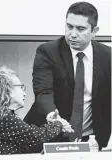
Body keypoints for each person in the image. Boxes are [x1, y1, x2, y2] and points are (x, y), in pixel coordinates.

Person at [24, 1, 111, 150]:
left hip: (90, 140)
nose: (73, 34)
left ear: (94, 31)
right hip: (47, 134)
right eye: (69, 26)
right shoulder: (48, 51)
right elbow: (43, 91)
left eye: (80, 29)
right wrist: (53, 116)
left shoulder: (108, 56)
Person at [0, 66, 73, 155]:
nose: (24, 93)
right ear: (8, 89)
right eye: (21, 87)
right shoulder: (0, 114)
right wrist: (59, 124)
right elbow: (36, 136)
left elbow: (29, 139)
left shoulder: (0, 114)